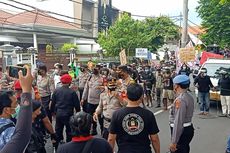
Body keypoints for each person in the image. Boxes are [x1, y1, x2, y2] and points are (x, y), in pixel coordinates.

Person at [108, 83, 160, 153]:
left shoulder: (117, 114)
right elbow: (154, 139)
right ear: (141, 96)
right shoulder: (148, 114)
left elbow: (111, 139)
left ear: (126, 95)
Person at [0, 65, 33, 153]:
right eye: (15, 104)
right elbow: (22, 135)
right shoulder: (9, 131)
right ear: (7, 110)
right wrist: (27, 90)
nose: (18, 106)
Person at [51, 74, 80, 145]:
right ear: (69, 82)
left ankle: (58, 144)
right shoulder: (72, 92)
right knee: (69, 130)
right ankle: (69, 144)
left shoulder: (56, 91)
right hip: (68, 114)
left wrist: (53, 112)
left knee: (58, 129)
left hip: (59, 113)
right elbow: (77, 105)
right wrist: (78, 113)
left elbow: (53, 103)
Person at [169, 74, 194, 153]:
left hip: (181, 130)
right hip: (187, 128)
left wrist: (174, 142)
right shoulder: (189, 96)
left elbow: (178, 121)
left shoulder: (181, 100)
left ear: (177, 86)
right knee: (185, 148)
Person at [81, 65, 103, 135]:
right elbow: (86, 89)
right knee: (91, 116)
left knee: (100, 117)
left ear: (99, 70)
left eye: (96, 68)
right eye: (93, 69)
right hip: (90, 101)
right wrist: (83, 99)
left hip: (99, 102)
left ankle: (103, 130)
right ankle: (94, 129)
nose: (94, 70)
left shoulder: (102, 78)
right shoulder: (90, 77)